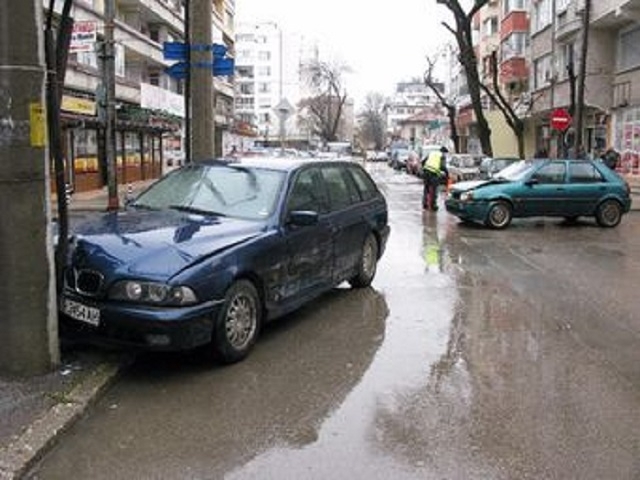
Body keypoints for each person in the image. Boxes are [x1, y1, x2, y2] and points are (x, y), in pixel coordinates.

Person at [422, 146, 449, 211]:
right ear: (443, 152)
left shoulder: (432, 153)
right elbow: (443, 166)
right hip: (433, 174)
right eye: (445, 153)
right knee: (434, 190)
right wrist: (447, 174)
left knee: (426, 188)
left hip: (426, 172)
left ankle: (425, 204)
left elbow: (423, 162)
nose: (445, 154)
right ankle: (433, 205)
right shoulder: (442, 156)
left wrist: (425, 169)